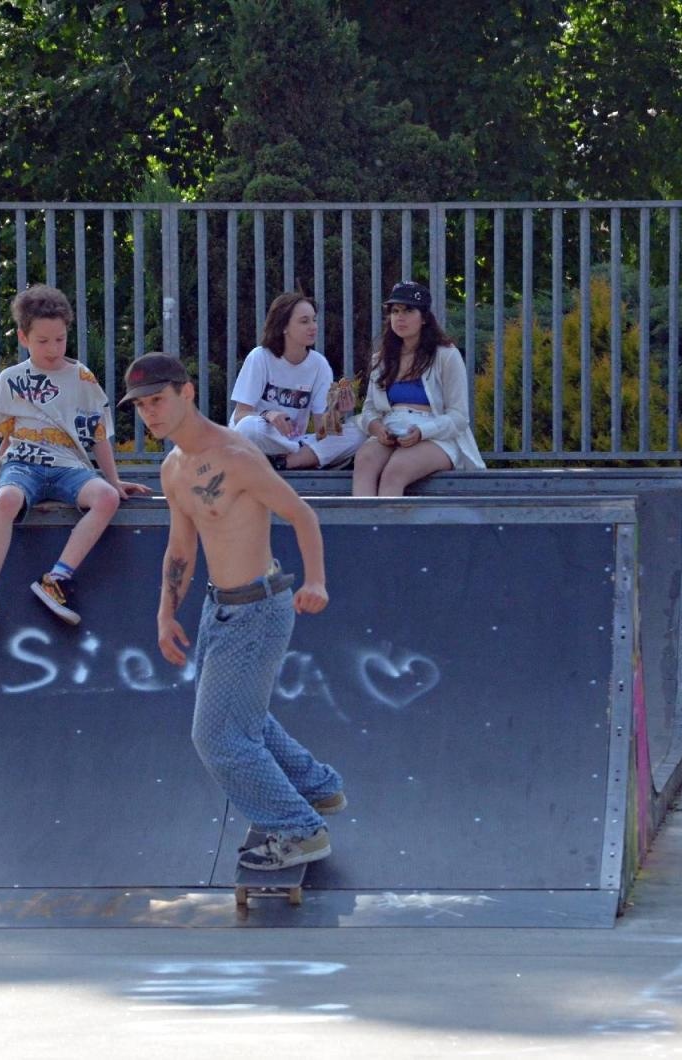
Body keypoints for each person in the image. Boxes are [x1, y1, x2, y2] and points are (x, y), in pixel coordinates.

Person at [123, 352, 347, 870]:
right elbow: (180, 549)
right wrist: (164, 613)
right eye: (141, 406)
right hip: (217, 609)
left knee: (216, 735)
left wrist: (316, 581)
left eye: (158, 401)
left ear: (187, 393)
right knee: (244, 717)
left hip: (260, 609)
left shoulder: (238, 455)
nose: (150, 414)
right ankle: (318, 789)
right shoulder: (173, 469)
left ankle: (301, 830)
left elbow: (302, 514)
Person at [0, 284, 148, 628]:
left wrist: (113, 481)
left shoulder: (82, 378)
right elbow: (9, 440)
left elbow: (98, 434)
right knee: (7, 499)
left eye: (60, 339)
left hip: (67, 467)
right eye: (43, 341)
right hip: (23, 464)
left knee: (105, 498)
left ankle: (56, 579)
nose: (54, 349)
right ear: (24, 338)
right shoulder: (11, 379)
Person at [352, 281, 484, 496]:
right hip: (392, 429)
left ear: (424, 318)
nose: (399, 317)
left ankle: (386, 529)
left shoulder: (446, 355)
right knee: (364, 460)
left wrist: (423, 432)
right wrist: (377, 428)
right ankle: (362, 527)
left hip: (436, 435)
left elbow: (459, 417)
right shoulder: (382, 358)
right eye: (394, 311)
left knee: (395, 471)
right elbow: (369, 410)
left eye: (408, 310)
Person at [230, 292, 363, 470]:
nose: (313, 327)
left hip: (293, 440)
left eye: (314, 320)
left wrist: (337, 411)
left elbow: (321, 430)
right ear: (284, 326)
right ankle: (300, 455)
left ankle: (284, 461)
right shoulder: (260, 357)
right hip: (260, 435)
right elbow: (240, 416)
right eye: (304, 321)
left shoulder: (319, 365)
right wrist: (268, 415)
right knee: (248, 427)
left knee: (358, 432)